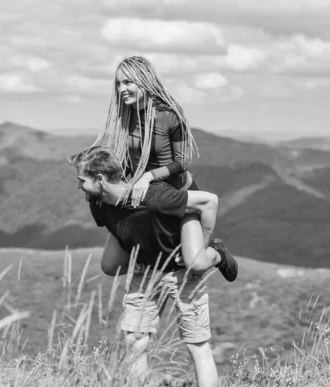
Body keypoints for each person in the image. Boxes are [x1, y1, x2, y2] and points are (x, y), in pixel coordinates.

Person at [68, 145, 238, 387]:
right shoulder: (98, 204)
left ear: (100, 179)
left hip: (181, 272)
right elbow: (121, 229)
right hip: (145, 272)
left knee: (196, 343)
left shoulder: (154, 198)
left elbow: (210, 201)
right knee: (134, 340)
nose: (79, 186)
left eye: (82, 180)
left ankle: (217, 254)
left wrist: (203, 244)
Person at [92, 55, 231, 279]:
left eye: (128, 82)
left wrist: (148, 176)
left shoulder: (169, 115)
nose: (121, 89)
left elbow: (183, 161)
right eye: (118, 83)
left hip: (177, 193)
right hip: (146, 196)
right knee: (110, 266)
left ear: (144, 81)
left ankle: (217, 253)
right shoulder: (127, 114)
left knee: (195, 264)